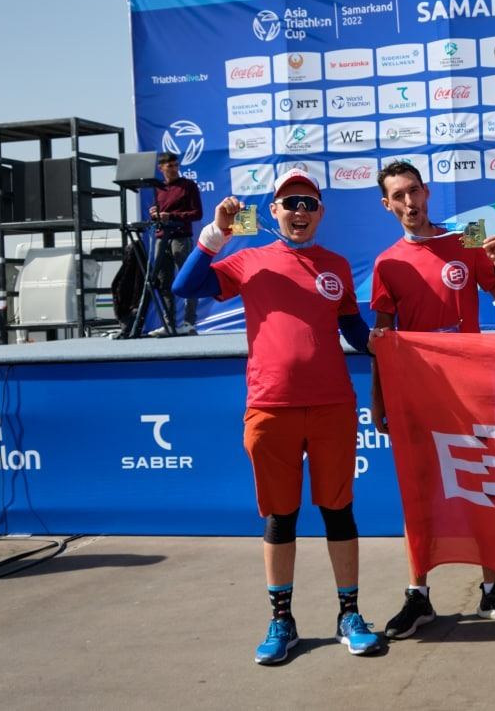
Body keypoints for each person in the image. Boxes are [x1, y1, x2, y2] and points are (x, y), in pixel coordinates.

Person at [172, 167, 381, 662]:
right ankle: (281, 620)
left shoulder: (336, 265)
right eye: (290, 203)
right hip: (270, 407)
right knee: (280, 516)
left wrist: (389, 344)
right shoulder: (249, 260)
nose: (299, 211)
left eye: (309, 203)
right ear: (274, 211)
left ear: (321, 213)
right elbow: (186, 286)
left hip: (331, 405)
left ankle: (349, 615)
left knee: (338, 511)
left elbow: (354, 330)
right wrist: (216, 232)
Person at [368, 161, 495, 638]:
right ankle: (418, 595)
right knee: (419, 493)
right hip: (417, 392)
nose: (409, 202)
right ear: (387, 204)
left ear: (426, 192)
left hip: (472, 389)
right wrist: (378, 400)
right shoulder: (387, 263)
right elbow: (382, 338)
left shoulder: (465, 240)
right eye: (399, 196)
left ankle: (492, 589)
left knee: (483, 487)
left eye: (414, 191)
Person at [148, 151, 203, 335]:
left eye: (176, 165)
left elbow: (197, 213)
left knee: (187, 279)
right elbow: (158, 213)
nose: (173, 169)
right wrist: (154, 214)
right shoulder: (158, 188)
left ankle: (189, 322)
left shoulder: (188, 185)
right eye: (169, 166)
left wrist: (170, 216)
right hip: (161, 238)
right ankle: (169, 324)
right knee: (164, 282)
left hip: (181, 237)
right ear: (161, 168)